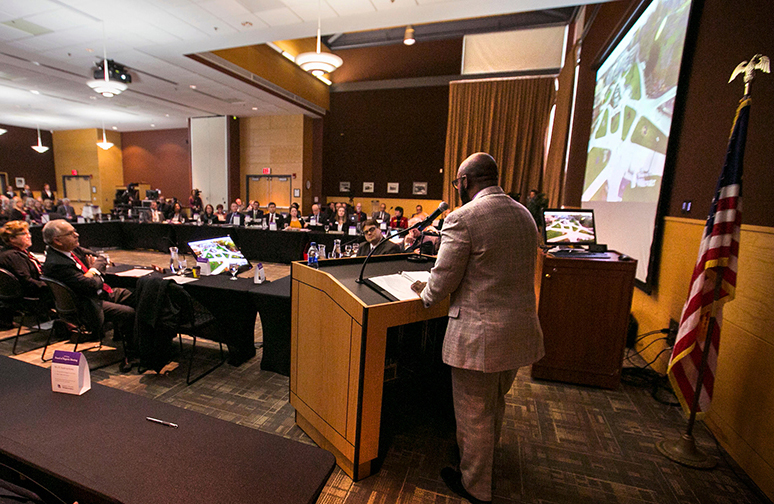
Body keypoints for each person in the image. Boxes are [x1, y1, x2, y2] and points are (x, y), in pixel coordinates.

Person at [410, 153, 544, 504]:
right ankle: (480, 464)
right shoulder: (524, 214)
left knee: (473, 414)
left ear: (465, 181)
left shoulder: (463, 218)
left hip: (480, 336)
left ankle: (475, 486)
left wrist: (424, 294)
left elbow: (442, 281)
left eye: (457, 183)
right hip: (519, 332)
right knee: (494, 406)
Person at [41, 220, 137, 372]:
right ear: (57, 241)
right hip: (85, 305)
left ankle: (130, 338)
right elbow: (91, 285)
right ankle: (132, 354)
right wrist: (94, 273)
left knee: (134, 295)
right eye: (70, 234)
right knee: (129, 313)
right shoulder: (56, 263)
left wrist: (92, 271)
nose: (76, 235)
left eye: (75, 231)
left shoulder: (73, 250)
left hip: (97, 295)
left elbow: (100, 258)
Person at [0, 221, 48, 299]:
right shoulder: (13, 256)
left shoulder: (19, 252)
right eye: (24, 234)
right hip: (30, 299)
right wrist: (51, 286)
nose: (29, 236)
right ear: (12, 238)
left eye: (29, 233)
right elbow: (28, 282)